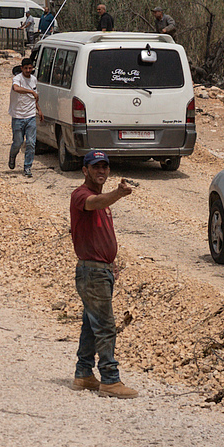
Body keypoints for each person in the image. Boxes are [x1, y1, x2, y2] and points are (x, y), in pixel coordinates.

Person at [68, 151, 139, 399]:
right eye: (95, 167)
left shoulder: (102, 200)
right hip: (92, 272)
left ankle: (83, 374)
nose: (101, 171)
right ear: (85, 170)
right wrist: (118, 194)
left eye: (104, 167)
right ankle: (110, 379)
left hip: (101, 270)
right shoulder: (82, 195)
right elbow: (93, 203)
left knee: (91, 324)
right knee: (106, 327)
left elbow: (99, 233)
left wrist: (111, 261)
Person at [7, 56, 39, 178]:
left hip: (31, 116)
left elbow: (34, 98)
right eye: (26, 68)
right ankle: (12, 156)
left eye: (30, 68)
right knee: (18, 142)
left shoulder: (34, 80)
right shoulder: (17, 79)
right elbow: (16, 88)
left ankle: (27, 167)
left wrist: (39, 110)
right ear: (21, 68)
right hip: (18, 116)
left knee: (31, 143)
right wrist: (31, 91)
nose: (28, 70)